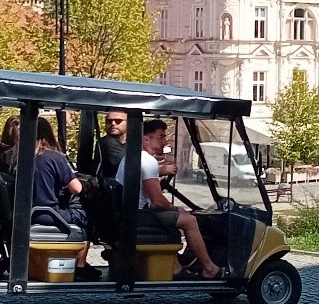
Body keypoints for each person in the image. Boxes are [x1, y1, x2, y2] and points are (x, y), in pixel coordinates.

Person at [115, 119, 223, 280]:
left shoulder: (133, 157)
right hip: (139, 216)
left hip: (131, 213)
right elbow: (158, 200)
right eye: (161, 136)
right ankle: (209, 268)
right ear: (146, 139)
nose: (165, 141)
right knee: (190, 221)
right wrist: (176, 208)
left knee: (179, 218)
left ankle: (180, 262)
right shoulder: (148, 161)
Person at [27, 117, 99, 281]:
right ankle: (80, 265)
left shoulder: (21, 157)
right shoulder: (54, 157)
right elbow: (77, 188)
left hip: (30, 213)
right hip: (51, 214)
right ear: (49, 134)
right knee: (87, 215)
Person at [94, 111, 127, 179]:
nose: (113, 123)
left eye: (118, 121)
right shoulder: (105, 142)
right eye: (109, 121)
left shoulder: (137, 141)